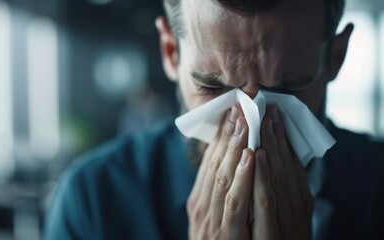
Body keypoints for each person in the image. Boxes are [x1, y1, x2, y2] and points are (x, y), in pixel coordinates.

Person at [45, 0, 384, 239]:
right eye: (213, 86)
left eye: (288, 86)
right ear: (171, 53)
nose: (251, 131)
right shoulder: (93, 202)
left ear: (336, 57)